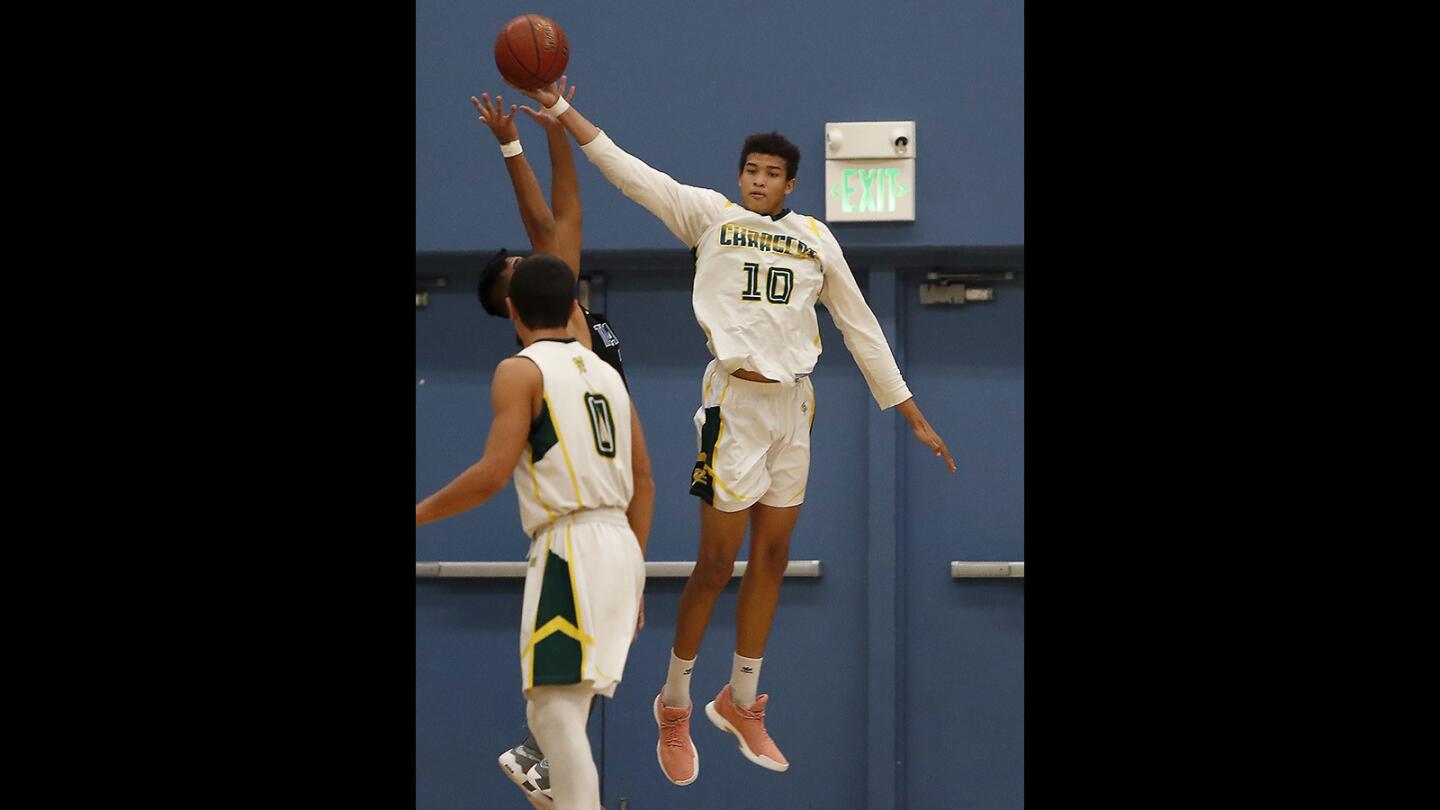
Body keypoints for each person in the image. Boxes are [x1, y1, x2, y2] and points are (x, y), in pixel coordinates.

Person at [508, 77, 957, 786]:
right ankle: (676, 701)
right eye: (750, 170)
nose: (758, 181)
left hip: (795, 406)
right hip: (735, 406)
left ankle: (741, 697)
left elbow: (859, 325)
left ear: (791, 185)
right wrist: (564, 112)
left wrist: (909, 409)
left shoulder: (815, 239)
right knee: (716, 564)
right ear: (739, 177)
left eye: (771, 174)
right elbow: (630, 173)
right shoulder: (710, 218)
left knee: (773, 557)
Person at [470, 84, 653, 809]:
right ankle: (544, 759)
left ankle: (542, 758)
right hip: (589, 511)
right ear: (514, 303)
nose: (540, 255)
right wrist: (526, 142)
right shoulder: (555, 335)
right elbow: (551, 217)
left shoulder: (568, 311)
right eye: (523, 264)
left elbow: (559, 216)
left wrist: (543, 131)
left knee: (579, 679)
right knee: (568, 683)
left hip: (611, 499)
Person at [417, 255, 653, 810]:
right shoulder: (607, 376)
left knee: (553, 711)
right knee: (553, 711)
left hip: (570, 544)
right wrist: (636, 574)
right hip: (620, 544)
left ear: (512, 309)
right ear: (574, 306)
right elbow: (643, 479)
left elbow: (492, 474)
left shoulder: (520, 369)